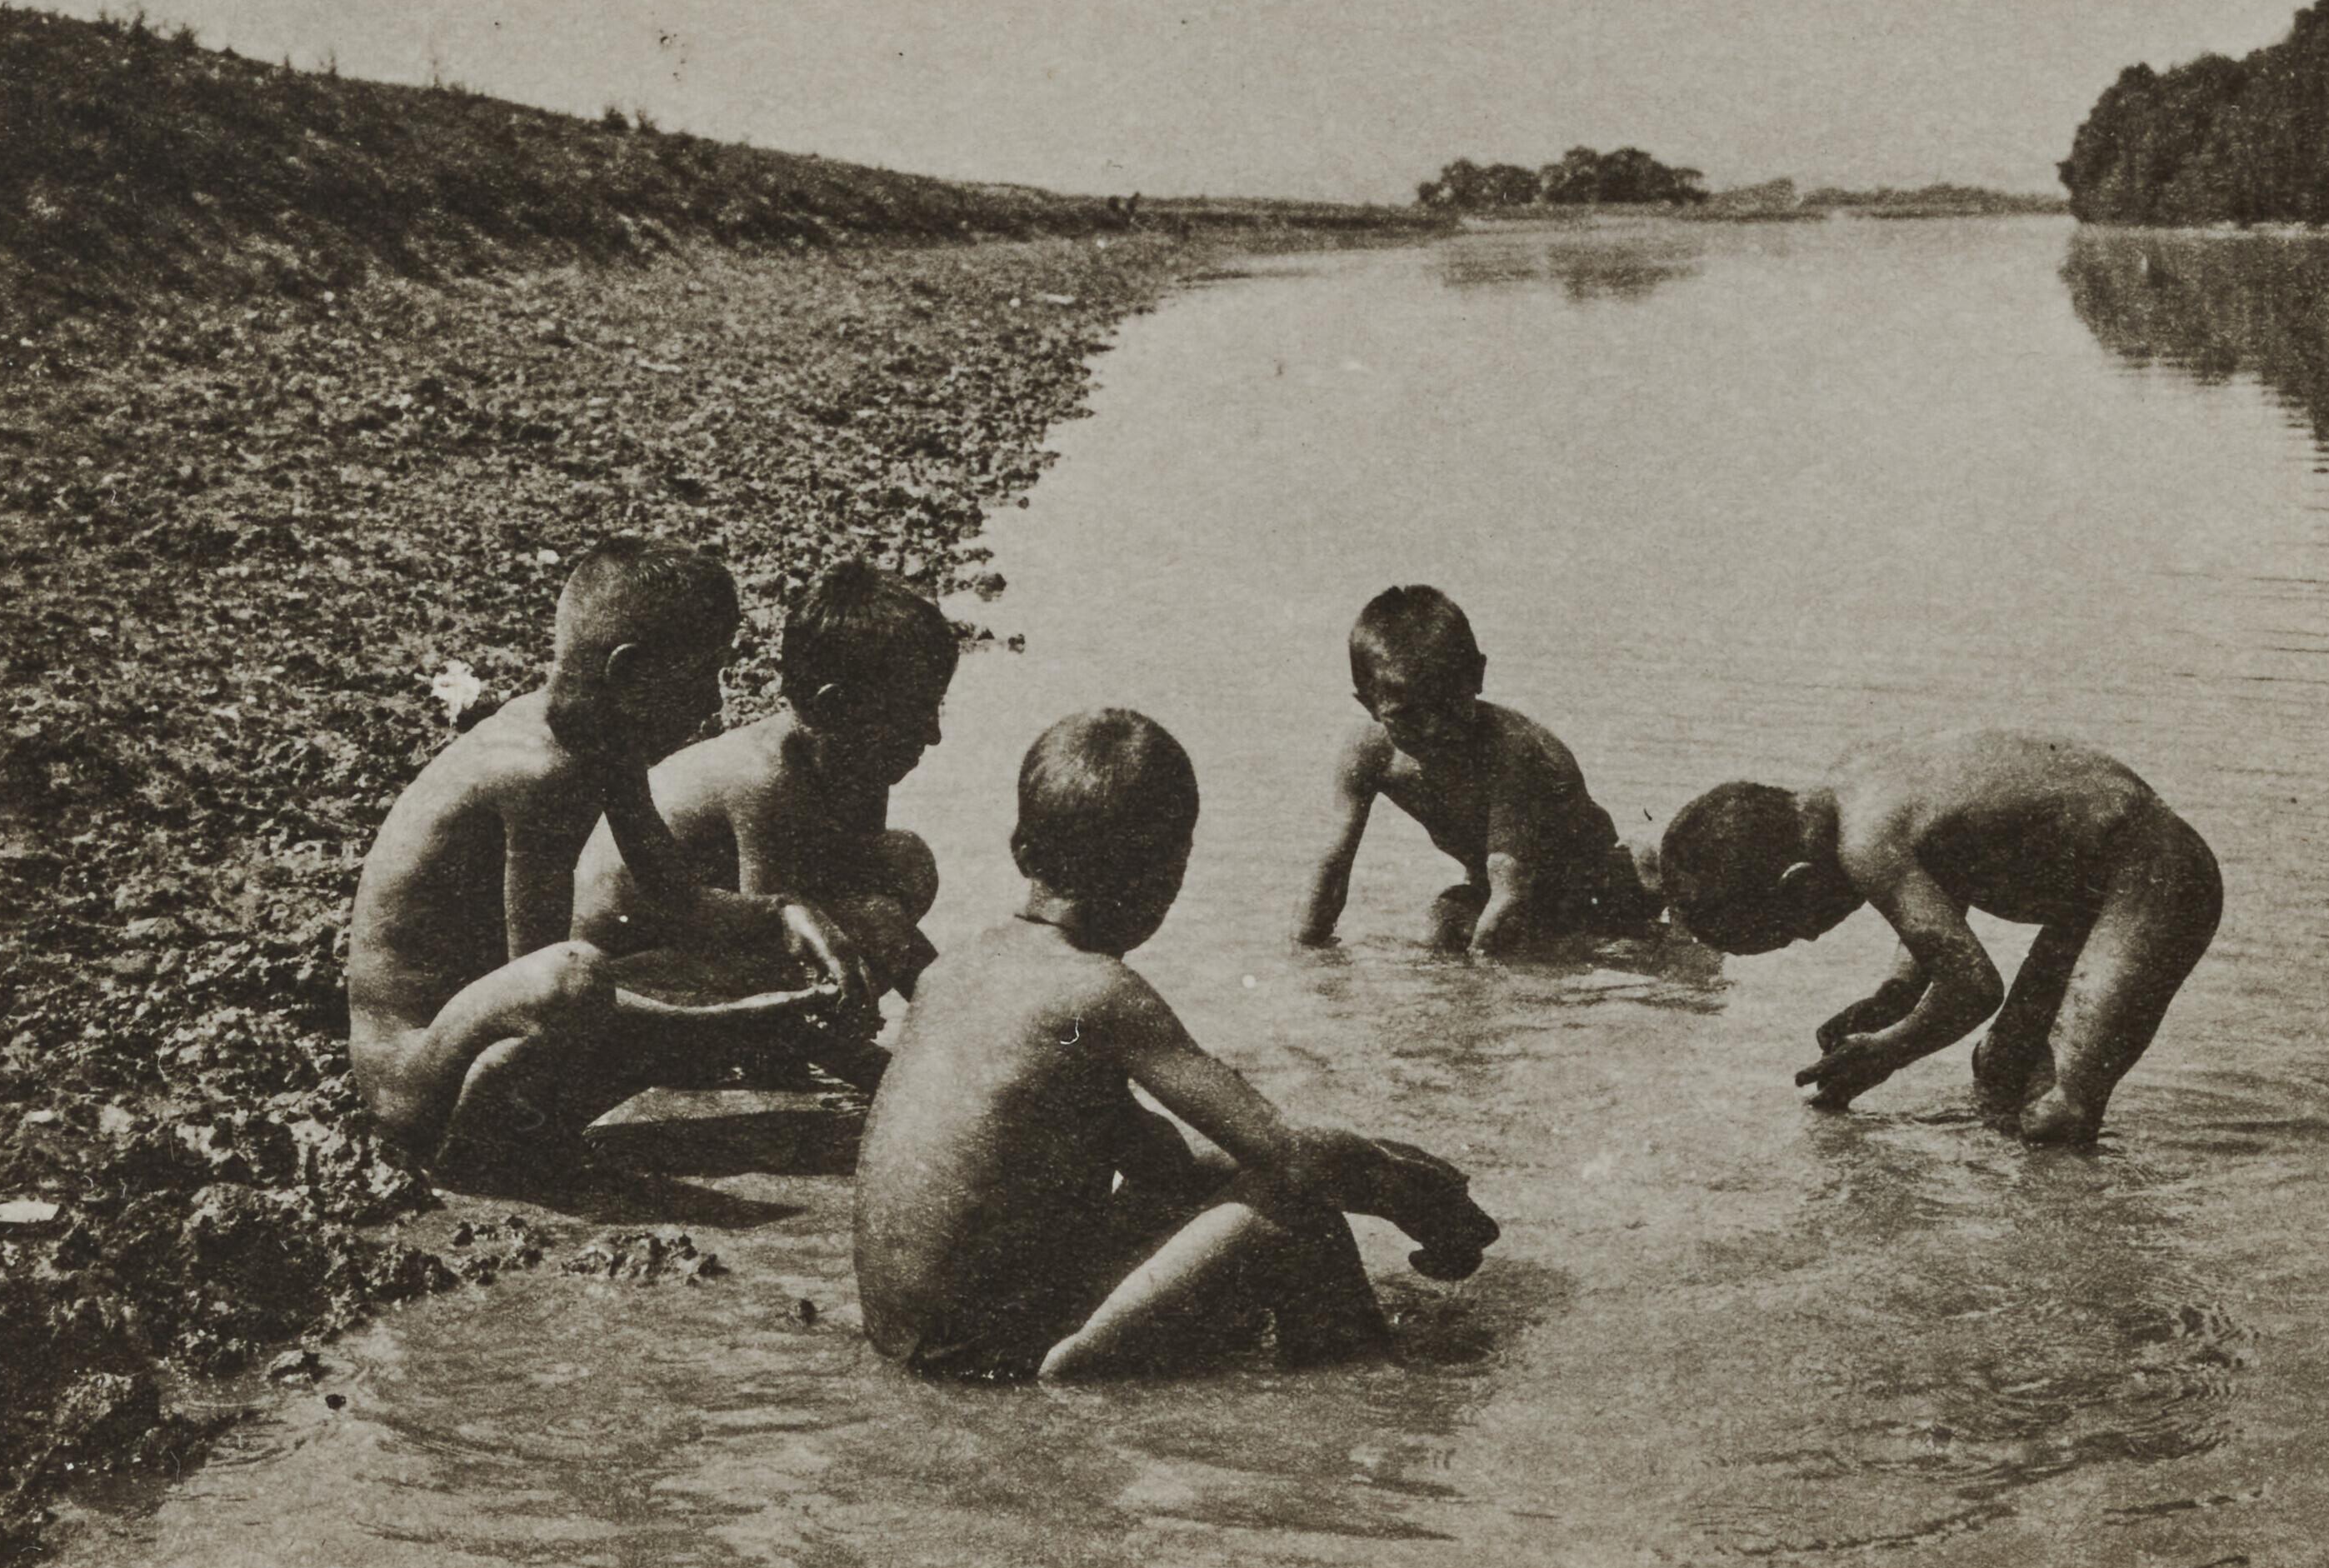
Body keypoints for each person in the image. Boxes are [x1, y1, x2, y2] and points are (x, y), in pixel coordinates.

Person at [856, 708, 1500, 1382]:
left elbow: (1152, 1153)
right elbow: (1293, 1158)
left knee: (1239, 1182)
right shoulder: (1101, 992)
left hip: (914, 1341)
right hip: (999, 1361)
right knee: (1293, 1213)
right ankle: (1376, 1395)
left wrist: (1367, 1160)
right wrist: (1413, 1193)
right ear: (1172, 872)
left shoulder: (952, 973)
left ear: (1022, 848)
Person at [347, 538, 868, 1182]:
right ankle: (470, 1157)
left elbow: (677, 896)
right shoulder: (540, 773)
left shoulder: (605, 740)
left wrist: (786, 915)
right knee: (583, 974)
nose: (715, 701)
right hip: (413, 1078)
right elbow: (548, 988)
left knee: (718, 969)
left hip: (478, 1032)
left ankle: (522, 1142)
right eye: (704, 673)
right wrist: (729, 1022)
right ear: (629, 673)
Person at [1657, 730, 2223, 1145]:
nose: (1810, 938)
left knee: (2059, 1111)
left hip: (2157, 875)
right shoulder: (1850, 783)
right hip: (2097, 892)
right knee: (2000, 1069)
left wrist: (1886, 1052)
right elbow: (1941, 865)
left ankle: (2083, 1281)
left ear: (1797, 883)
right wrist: (1896, 993)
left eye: (1794, 931)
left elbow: (1975, 987)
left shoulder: (1864, 841)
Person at [571, 560, 955, 1083]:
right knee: (872, 921)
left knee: (903, 862)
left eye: (937, 708)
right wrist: (899, 1080)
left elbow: (876, 923)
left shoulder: (852, 760)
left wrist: (958, 1013)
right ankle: (752, 1059)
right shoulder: (767, 781)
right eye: (914, 713)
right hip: (622, 987)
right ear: (836, 708)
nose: (933, 735)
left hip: (696, 944)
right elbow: (788, 956)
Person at [1294, 585, 1657, 953]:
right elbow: (1332, 864)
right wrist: (1304, 955)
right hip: (1506, 891)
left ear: (1478, 676)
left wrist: (1484, 983)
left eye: (1448, 706)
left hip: (1595, 881)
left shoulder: (1508, 750)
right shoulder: (1367, 751)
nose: (1434, 729)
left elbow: (1510, 892)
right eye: (1407, 716)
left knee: (1645, 889)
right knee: (1441, 927)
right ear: (1369, 705)